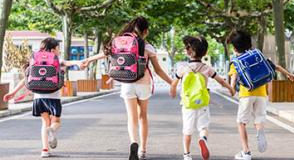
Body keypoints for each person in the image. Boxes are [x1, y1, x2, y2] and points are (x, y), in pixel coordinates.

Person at [80, 16, 173, 160]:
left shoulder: (121, 44)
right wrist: (173, 83)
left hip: (127, 83)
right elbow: (159, 71)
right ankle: (142, 150)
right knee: (143, 116)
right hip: (143, 84)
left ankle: (133, 142)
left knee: (132, 117)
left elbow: (105, 54)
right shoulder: (147, 47)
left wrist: (88, 60)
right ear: (145, 31)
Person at [3, 37, 81, 158]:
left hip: (38, 98)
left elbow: (26, 79)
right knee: (56, 122)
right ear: (52, 49)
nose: (58, 51)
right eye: (58, 49)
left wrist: (13, 93)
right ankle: (53, 130)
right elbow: (68, 63)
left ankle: (45, 150)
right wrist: (78, 62)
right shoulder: (55, 59)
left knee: (45, 122)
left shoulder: (35, 60)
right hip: (53, 97)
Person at [227, 30, 294, 160]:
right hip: (261, 93)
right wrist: (289, 74)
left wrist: (230, 90)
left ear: (234, 47)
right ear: (249, 44)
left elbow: (232, 85)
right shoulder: (256, 55)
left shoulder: (236, 61)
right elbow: (274, 66)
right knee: (259, 119)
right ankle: (259, 130)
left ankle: (246, 152)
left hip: (246, 94)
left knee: (241, 122)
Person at [170, 35, 235, 160]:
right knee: (203, 127)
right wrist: (230, 88)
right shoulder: (206, 68)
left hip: (187, 104)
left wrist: (172, 91)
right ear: (204, 52)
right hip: (203, 102)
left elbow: (174, 83)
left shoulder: (183, 68)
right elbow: (221, 81)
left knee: (187, 130)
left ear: (189, 52)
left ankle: (187, 155)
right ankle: (202, 138)